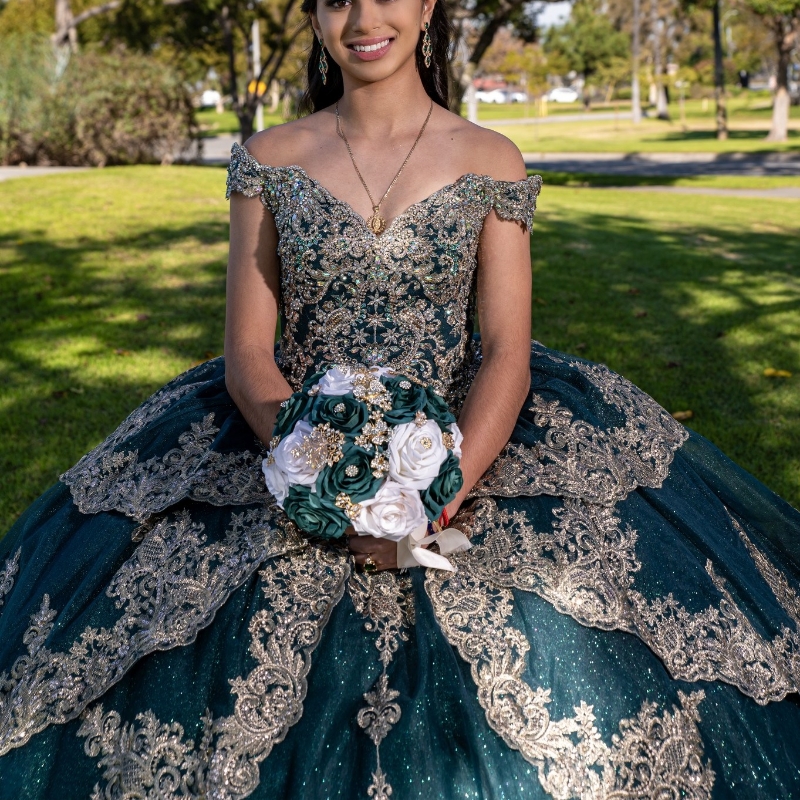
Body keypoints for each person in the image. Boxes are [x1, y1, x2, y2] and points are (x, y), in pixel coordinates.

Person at [0, 0, 799, 796]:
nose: (363, 18)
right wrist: (320, 478)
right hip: (285, 430)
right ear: (314, 19)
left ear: (426, 7)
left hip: (468, 441)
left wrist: (425, 508)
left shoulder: (492, 158)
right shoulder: (269, 158)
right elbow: (246, 351)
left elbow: (507, 355)